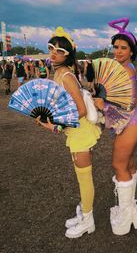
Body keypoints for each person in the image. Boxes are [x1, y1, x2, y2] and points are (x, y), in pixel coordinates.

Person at [35, 26, 101, 239]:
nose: (53, 52)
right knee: (81, 176)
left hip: (80, 132)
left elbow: (81, 110)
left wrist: (57, 126)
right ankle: (84, 212)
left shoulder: (66, 76)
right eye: (51, 48)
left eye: (59, 50)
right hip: (74, 132)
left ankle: (88, 219)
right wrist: (49, 120)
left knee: (84, 178)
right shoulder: (60, 73)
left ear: (68, 54)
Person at [94, 18, 137, 236]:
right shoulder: (125, 68)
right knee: (128, 163)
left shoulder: (126, 71)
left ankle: (125, 218)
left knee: (118, 164)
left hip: (132, 121)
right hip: (136, 120)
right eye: (115, 47)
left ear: (132, 50)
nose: (118, 51)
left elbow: (125, 104)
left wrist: (103, 105)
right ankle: (132, 212)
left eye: (123, 48)